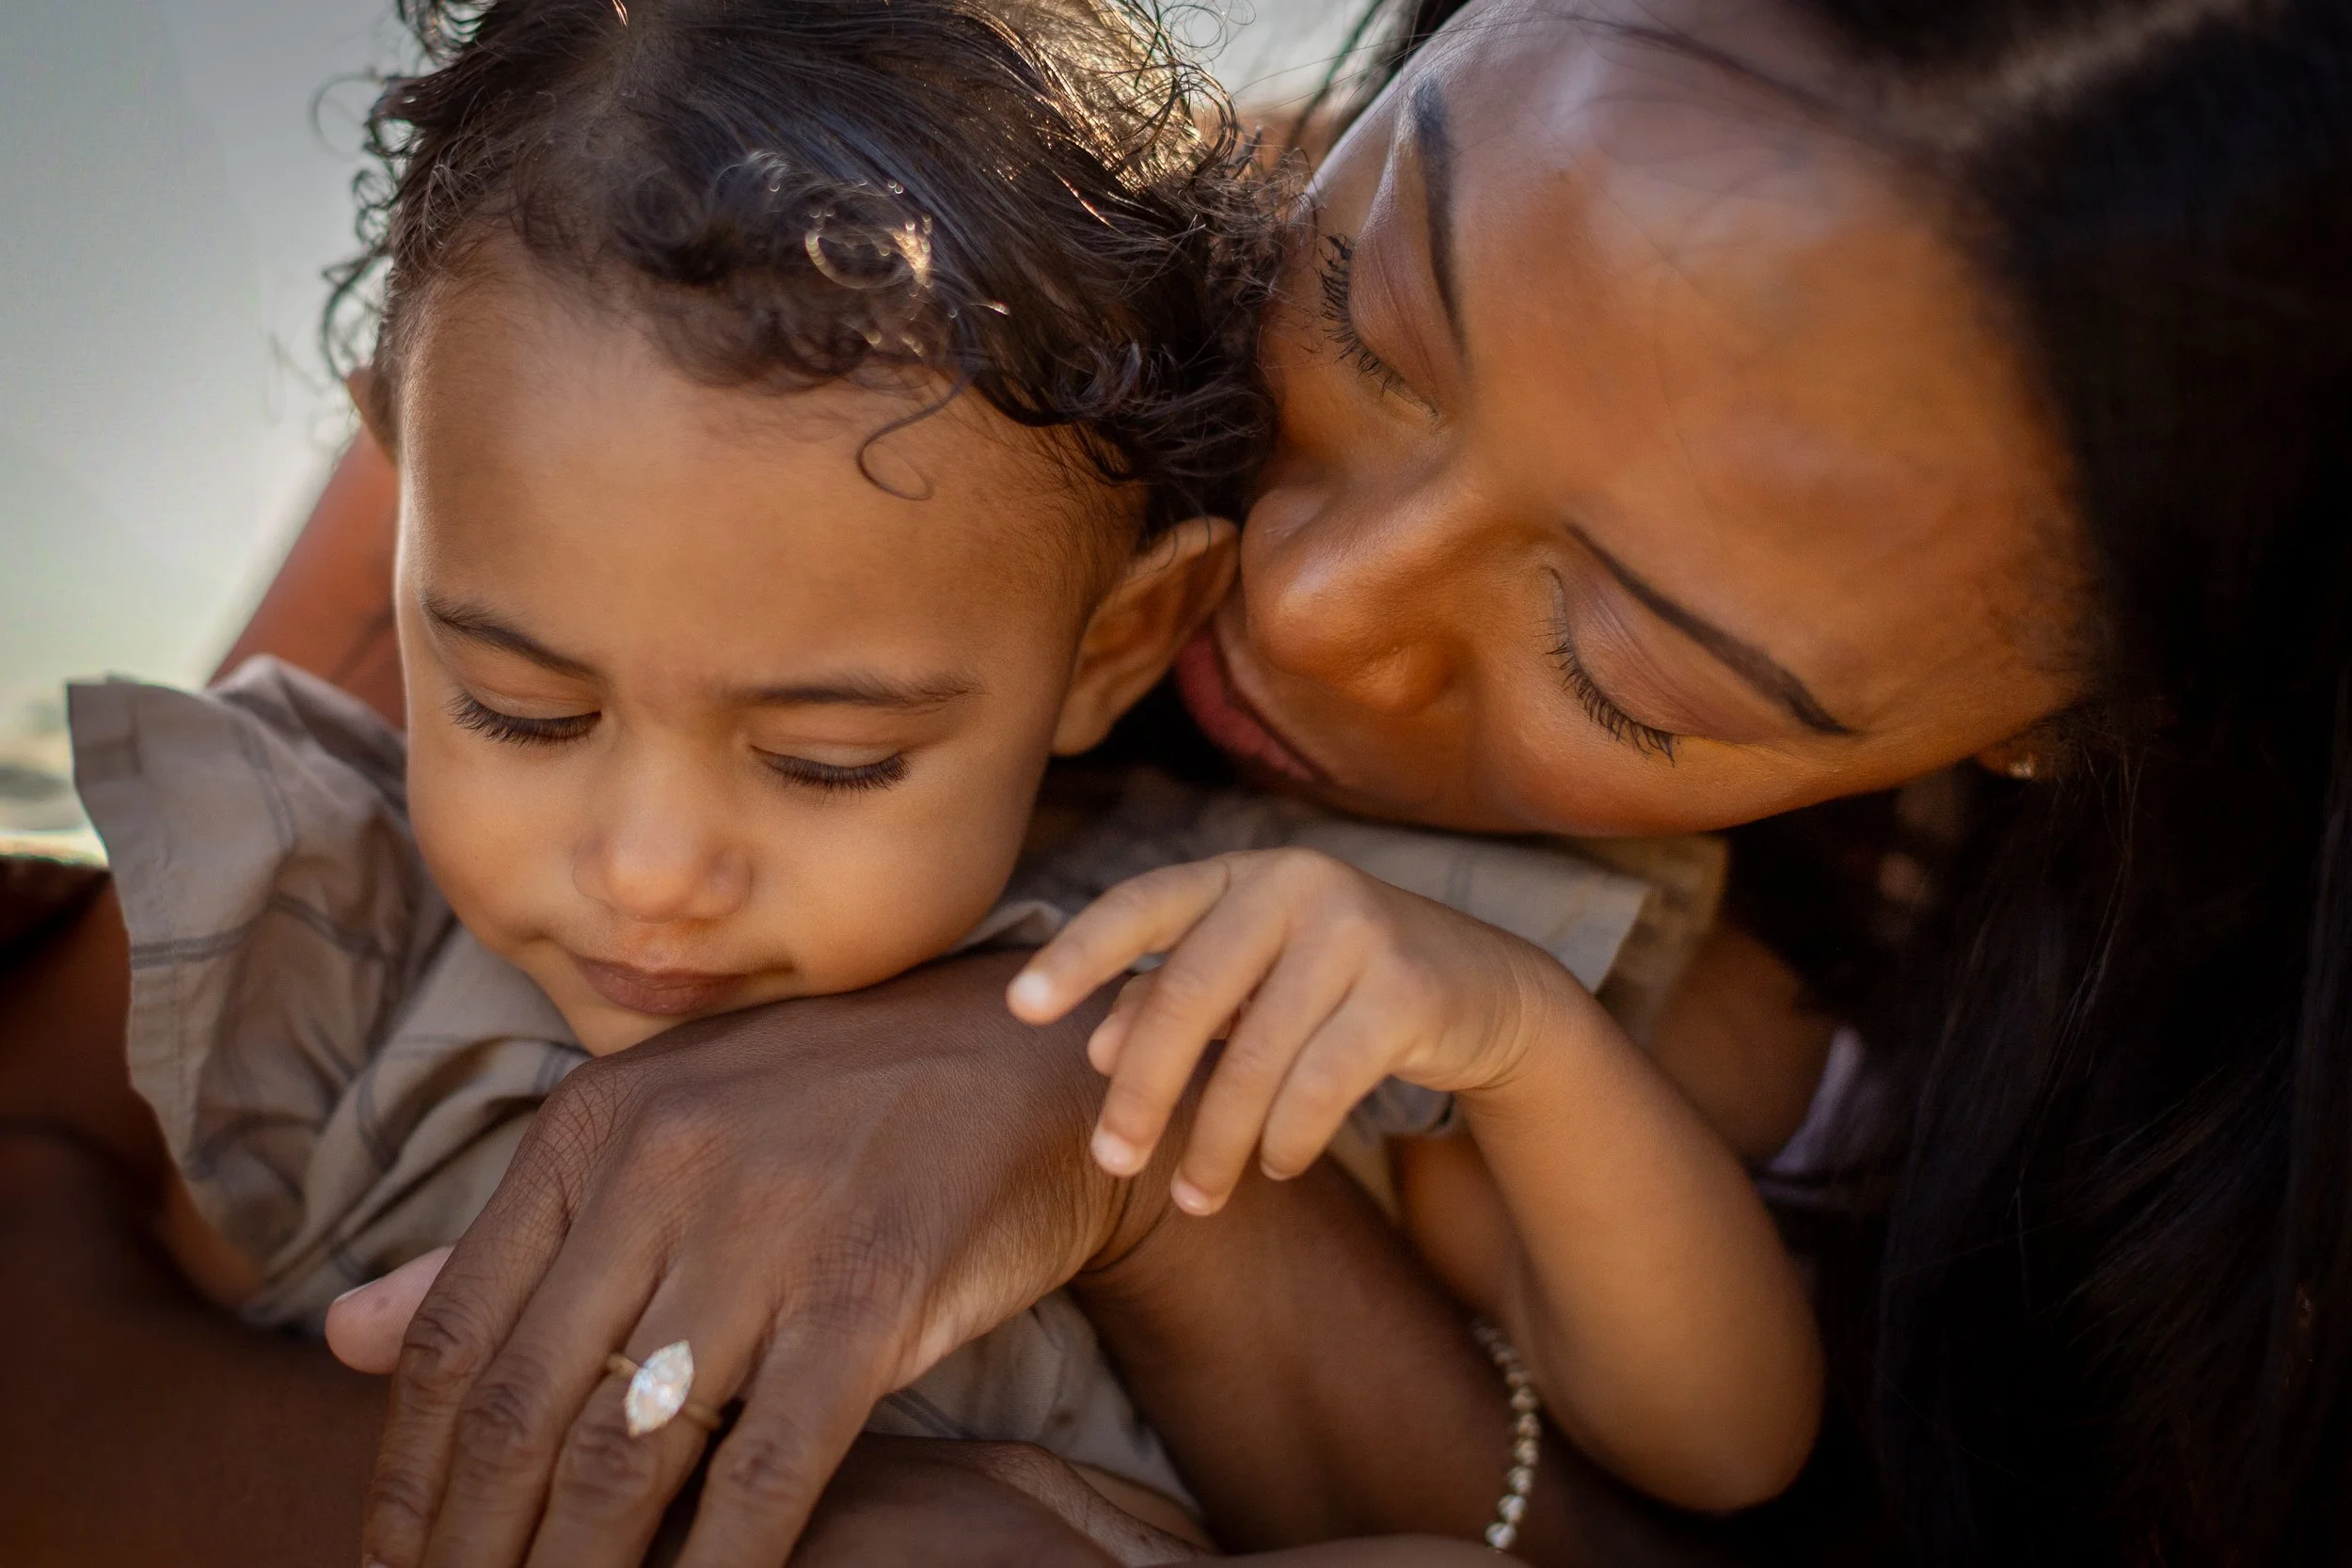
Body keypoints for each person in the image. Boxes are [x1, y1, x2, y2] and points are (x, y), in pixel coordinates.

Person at [6, 0, 2349, 1560]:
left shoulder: (1771, 1032)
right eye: (1368, 318)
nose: (1306, 604)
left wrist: (1107, 1132)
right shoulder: (749, 295)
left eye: (1625, 659)